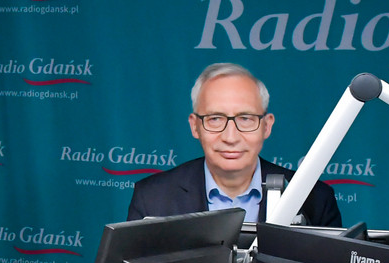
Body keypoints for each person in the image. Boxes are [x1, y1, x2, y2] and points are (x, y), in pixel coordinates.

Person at [127, 63, 342, 227]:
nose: (230, 137)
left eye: (246, 119)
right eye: (215, 119)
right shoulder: (152, 199)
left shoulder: (314, 199)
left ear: (266, 126)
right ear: (195, 126)